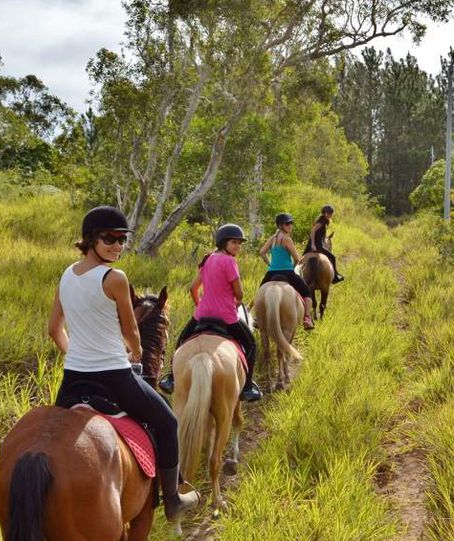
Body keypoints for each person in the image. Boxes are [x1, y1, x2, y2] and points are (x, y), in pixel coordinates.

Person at [48, 205, 200, 523]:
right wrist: (136, 351)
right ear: (90, 239)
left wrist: (75, 354)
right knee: (167, 422)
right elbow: (131, 331)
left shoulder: (66, 274)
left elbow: (54, 329)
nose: (117, 245)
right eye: (109, 238)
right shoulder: (115, 278)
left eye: (122, 239)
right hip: (114, 376)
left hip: (73, 380)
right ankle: (173, 501)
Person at [158, 224, 262, 402]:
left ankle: (171, 377)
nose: (237, 246)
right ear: (224, 242)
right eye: (234, 242)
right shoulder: (230, 261)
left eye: (239, 243)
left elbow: (193, 288)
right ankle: (247, 388)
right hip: (227, 317)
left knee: (182, 340)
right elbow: (240, 294)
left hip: (202, 315)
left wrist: (202, 305)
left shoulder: (208, 259)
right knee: (251, 344)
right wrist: (234, 302)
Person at [259, 213, 315, 330]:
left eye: (291, 223)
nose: (290, 225)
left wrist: (270, 264)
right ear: (280, 225)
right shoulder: (287, 239)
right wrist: (293, 267)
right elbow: (297, 258)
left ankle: (257, 318)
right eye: (287, 223)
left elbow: (262, 252)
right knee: (306, 292)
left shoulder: (272, 239)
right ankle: (307, 317)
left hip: (271, 273)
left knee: (260, 293)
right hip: (287, 273)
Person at [304, 204, 344, 283]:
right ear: (324, 213)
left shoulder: (321, 219)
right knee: (333, 257)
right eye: (328, 213)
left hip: (313, 244)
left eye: (330, 213)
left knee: (301, 261)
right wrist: (313, 244)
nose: (329, 215)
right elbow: (313, 231)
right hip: (317, 244)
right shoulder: (322, 221)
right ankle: (335, 276)